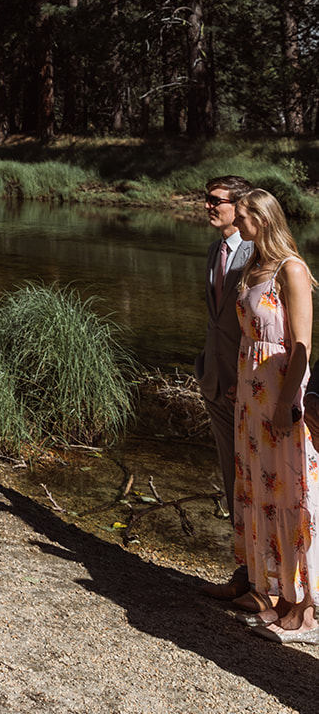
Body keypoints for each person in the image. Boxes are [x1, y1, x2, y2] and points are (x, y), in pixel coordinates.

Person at [231, 188, 319, 641]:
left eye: (242, 218)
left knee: (293, 497)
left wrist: (288, 404)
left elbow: (302, 346)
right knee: (262, 495)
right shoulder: (254, 268)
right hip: (251, 397)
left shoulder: (292, 270)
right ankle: (281, 596)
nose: (237, 226)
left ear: (262, 220)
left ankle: (305, 610)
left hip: (282, 397)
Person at [195, 176, 254, 602]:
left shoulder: (258, 253)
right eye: (207, 200)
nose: (208, 207)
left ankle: (270, 579)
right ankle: (245, 572)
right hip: (214, 380)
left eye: (216, 201)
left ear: (239, 205)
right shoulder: (215, 250)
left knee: (259, 479)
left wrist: (248, 380)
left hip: (249, 388)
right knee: (231, 477)